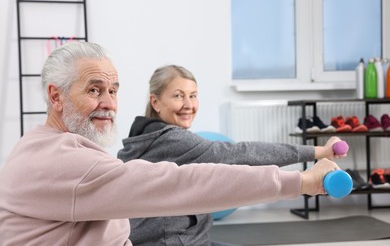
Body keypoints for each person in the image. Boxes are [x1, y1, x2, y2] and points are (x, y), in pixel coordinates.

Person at [0, 42, 340, 246]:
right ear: (55, 96)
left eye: (113, 90)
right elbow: (186, 179)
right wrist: (304, 176)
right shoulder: (61, 163)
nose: (108, 102)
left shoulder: (48, 145)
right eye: (94, 90)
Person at [117, 65, 347, 246]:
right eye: (178, 96)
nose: (189, 104)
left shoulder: (141, 139)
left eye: (193, 95)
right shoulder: (172, 140)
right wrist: (319, 151)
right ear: (155, 102)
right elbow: (241, 153)